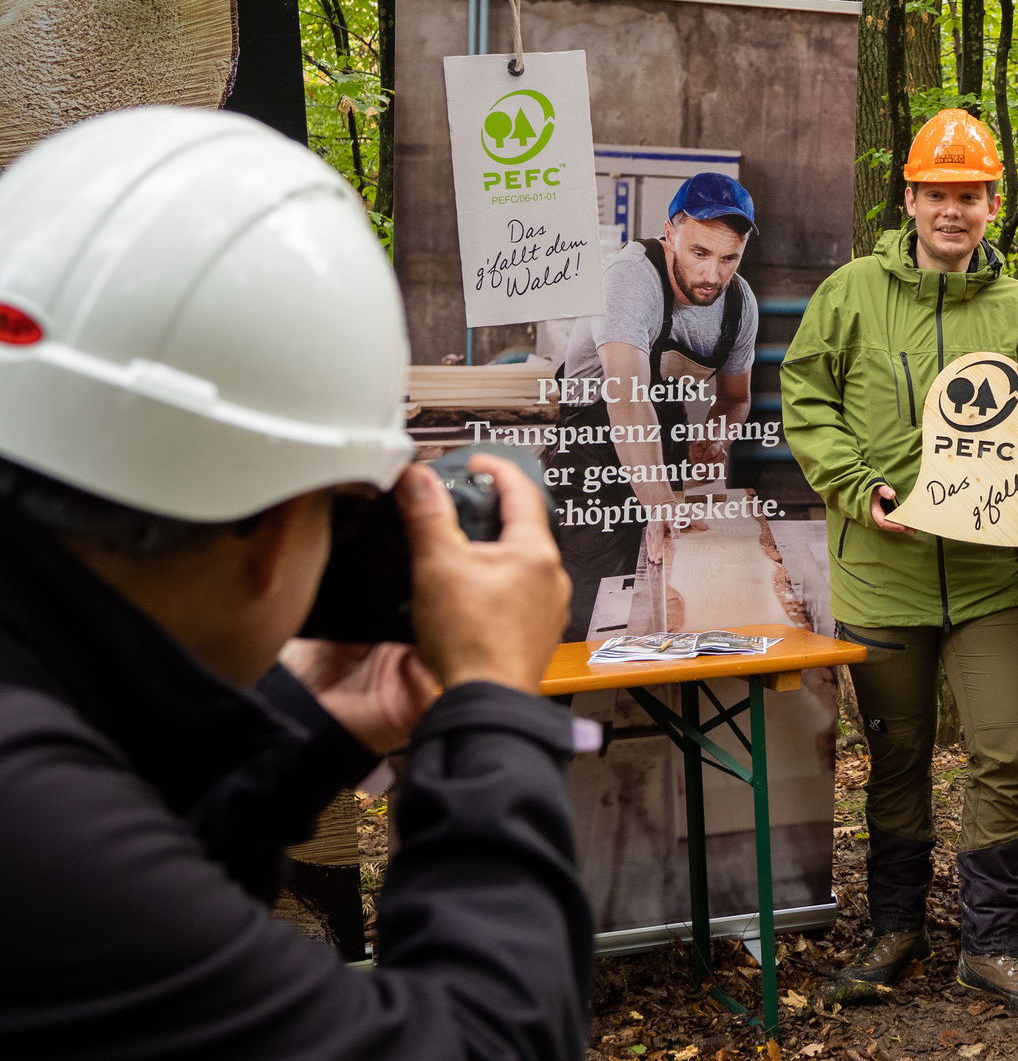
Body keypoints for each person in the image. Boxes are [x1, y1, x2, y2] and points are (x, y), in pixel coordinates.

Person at [0, 108, 591, 1059]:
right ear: (274, 533)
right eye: (340, 514)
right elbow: (488, 1043)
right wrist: (489, 711)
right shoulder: (37, 835)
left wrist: (298, 734)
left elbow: (147, 942)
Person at [782, 109, 1018, 1019]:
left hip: (989, 581)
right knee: (899, 756)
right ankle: (896, 929)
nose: (954, 211)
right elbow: (806, 398)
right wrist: (857, 484)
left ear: (993, 204)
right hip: (882, 575)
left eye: (971, 196)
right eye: (937, 195)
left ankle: (991, 944)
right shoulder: (852, 292)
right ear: (909, 199)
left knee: (1005, 751)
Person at [556, 173, 759, 637]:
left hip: (660, 441)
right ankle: (558, 707)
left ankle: (643, 707)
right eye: (700, 253)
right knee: (584, 602)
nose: (713, 276)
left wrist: (716, 435)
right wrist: (659, 500)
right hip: (591, 450)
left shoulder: (740, 305)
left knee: (664, 596)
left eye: (730, 258)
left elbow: (734, 398)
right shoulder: (628, 278)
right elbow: (627, 398)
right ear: (670, 234)